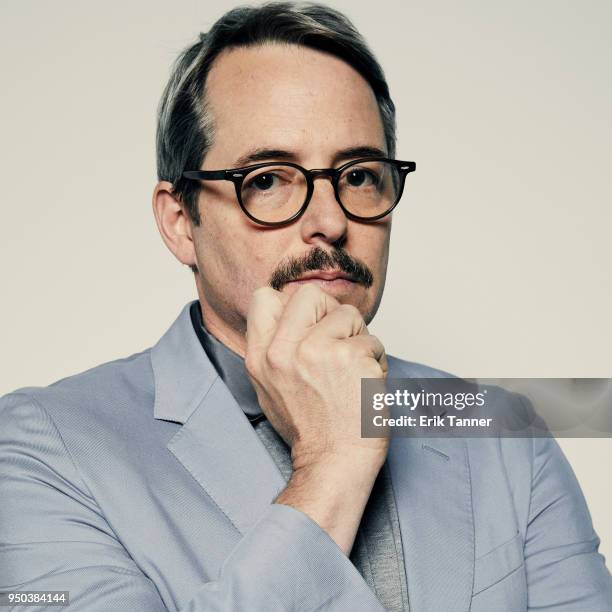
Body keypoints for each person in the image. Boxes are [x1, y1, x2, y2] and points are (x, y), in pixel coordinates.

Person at [1, 3, 610, 610]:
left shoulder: (504, 430)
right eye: (267, 179)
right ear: (181, 221)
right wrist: (329, 464)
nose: (330, 221)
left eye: (360, 175)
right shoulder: (41, 449)